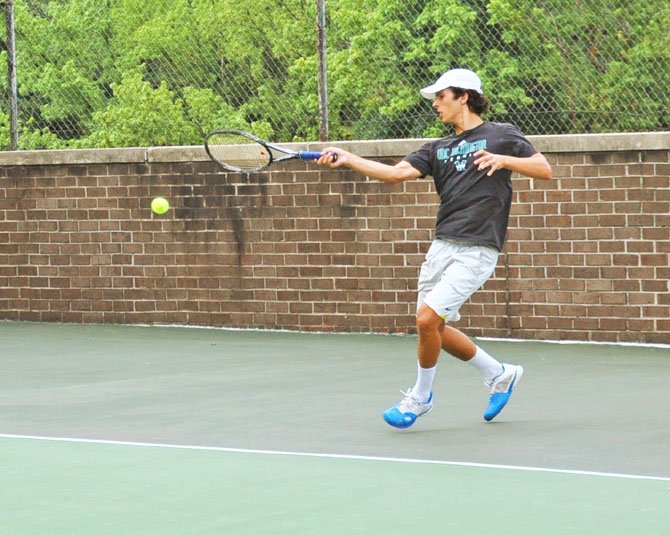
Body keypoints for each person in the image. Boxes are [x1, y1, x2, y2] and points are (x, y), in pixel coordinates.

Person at [316, 68, 552, 428]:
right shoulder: (437, 149)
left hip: (478, 247)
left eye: (441, 97)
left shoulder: (501, 135)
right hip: (441, 246)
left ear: (464, 97)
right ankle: (500, 374)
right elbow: (395, 175)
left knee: (427, 319)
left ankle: (420, 398)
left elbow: (543, 168)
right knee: (433, 329)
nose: (435, 104)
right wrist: (348, 157)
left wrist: (504, 160)